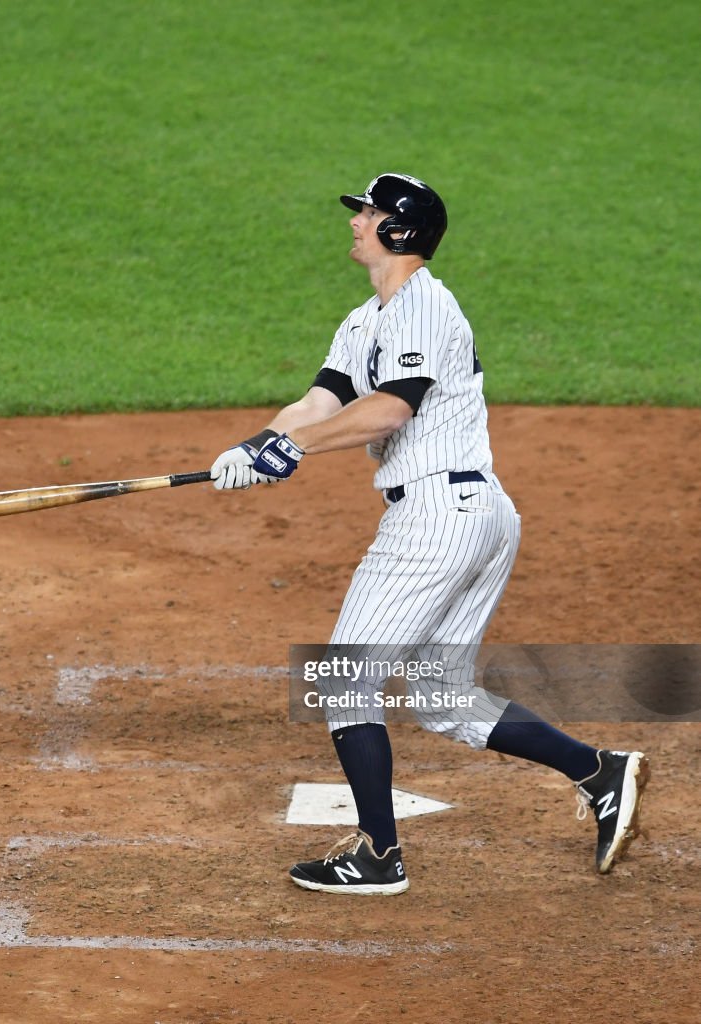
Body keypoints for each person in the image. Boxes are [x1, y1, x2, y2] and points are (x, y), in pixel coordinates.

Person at [210, 173, 650, 895]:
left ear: (400, 232)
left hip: (437, 521)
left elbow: (389, 411)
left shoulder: (422, 306)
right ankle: (599, 771)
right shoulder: (367, 320)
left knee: (345, 678)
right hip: (476, 517)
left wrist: (292, 451)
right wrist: (254, 444)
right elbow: (321, 400)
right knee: (444, 698)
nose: (356, 223)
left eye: (370, 214)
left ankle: (378, 855)